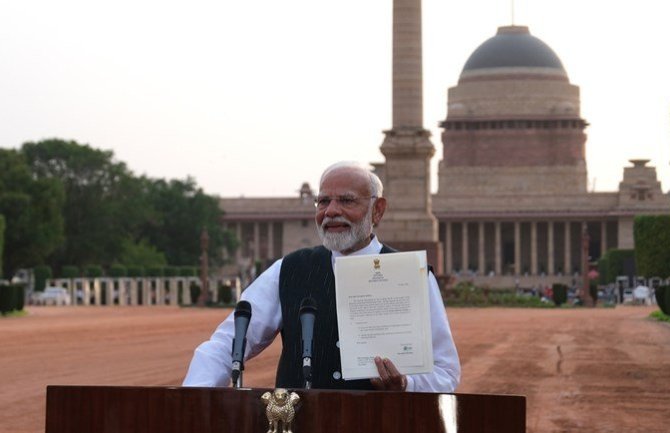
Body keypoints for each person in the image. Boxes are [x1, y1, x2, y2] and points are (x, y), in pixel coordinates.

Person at [182, 161, 460, 392]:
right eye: (323, 201)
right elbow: (227, 343)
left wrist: (407, 384)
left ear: (378, 210)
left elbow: (445, 373)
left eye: (347, 200)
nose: (331, 211)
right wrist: (192, 398)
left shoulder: (412, 276)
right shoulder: (289, 270)